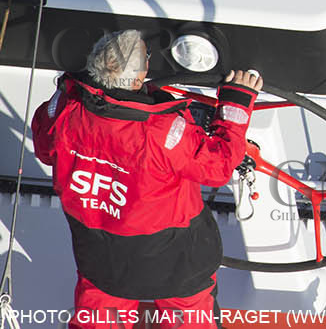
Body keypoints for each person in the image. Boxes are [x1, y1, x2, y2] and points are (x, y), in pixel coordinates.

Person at [30, 30, 262, 324]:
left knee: (99, 315)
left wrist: (67, 90)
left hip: (102, 260)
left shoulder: (66, 113)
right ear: (139, 79)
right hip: (176, 262)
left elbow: (44, 146)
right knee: (188, 316)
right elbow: (217, 167)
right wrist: (236, 104)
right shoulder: (162, 133)